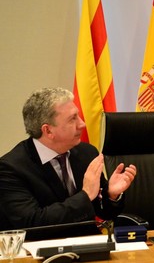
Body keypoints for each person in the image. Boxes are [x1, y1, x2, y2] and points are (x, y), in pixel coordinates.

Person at [0, 88, 137, 237]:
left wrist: (112, 195)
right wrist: (85, 195)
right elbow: (32, 223)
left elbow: (104, 212)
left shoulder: (86, 153)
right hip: (41, 252)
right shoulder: (10, 168)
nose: (82, 124)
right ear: (48, 131)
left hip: (90, 246)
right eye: (73, 119)